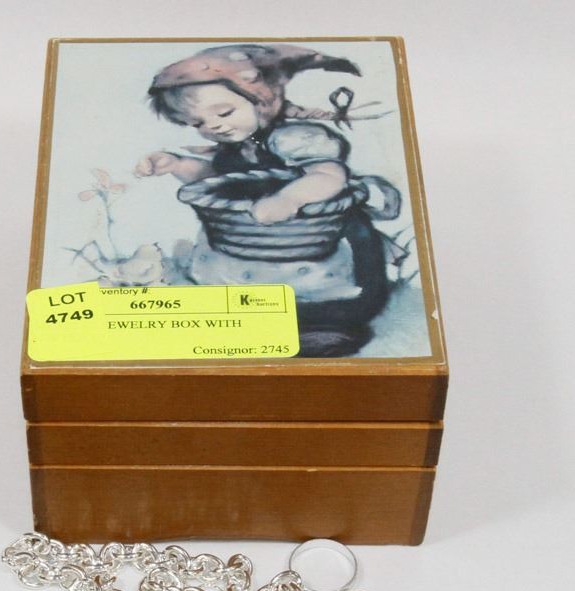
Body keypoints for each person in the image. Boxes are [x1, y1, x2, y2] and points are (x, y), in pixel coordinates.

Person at [135, 44, 400, 357]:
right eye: (198, 123)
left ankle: (325, 328)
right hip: (248, 240)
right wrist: (178, 165)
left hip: (319, 238)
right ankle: (257, 328)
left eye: (224, 113)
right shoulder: (237, 146)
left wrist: (290, 198)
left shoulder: (295, 138)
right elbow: (218, 181)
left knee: (319, 301)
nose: (213, 126)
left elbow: (330, 175)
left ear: (261, 100)